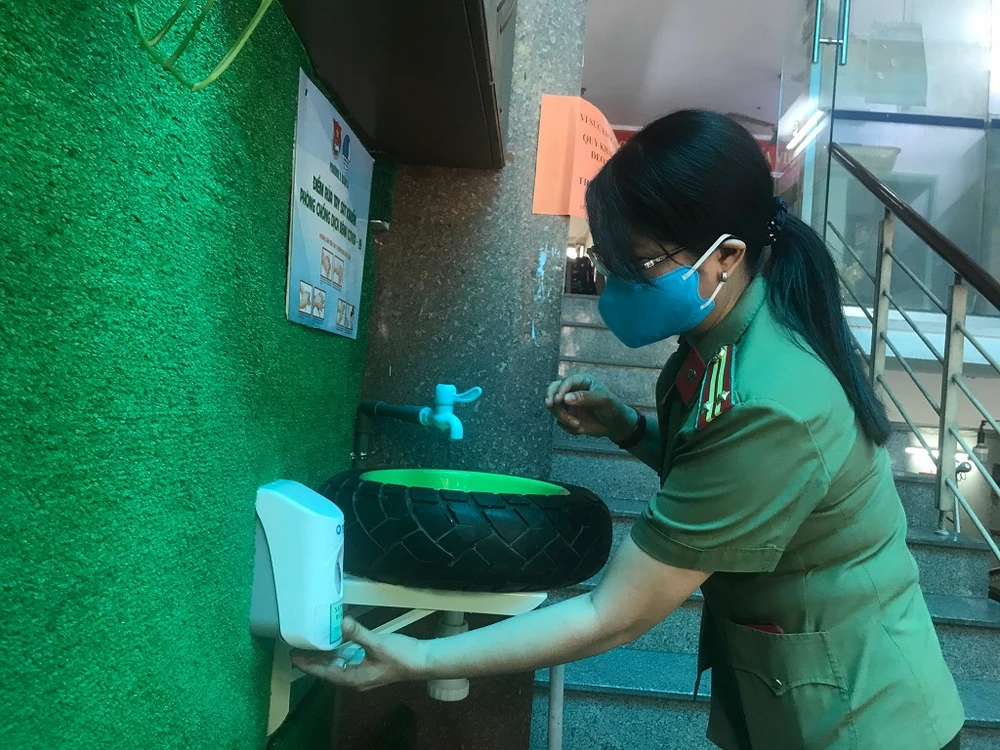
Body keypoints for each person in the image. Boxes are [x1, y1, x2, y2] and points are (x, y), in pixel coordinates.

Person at [294, 110, 965, 750]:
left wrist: (418, 657)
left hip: (861, 718)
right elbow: (712, 468)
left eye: (637, 266)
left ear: (726, 256)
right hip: (795, 693)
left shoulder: (767, 400)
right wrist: (627, 427)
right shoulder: (724, 338)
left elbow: (612, 614)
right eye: (606, 260)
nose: (613, 286)